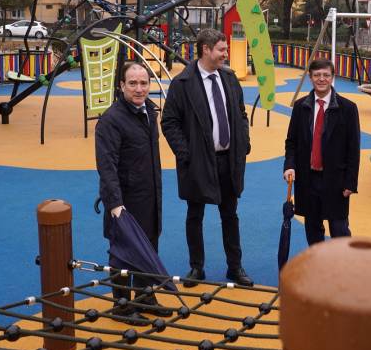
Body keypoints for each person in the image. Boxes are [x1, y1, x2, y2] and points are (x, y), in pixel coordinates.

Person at [161, 29, 254, 287]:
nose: (226, 54)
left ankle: (235, 267)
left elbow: (240, 113)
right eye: (222, 50)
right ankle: (196, 267)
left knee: (230, 215)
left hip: (228, 160)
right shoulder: (182, 83)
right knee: (195, 214)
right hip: (198, 161)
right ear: (206, 50)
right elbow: (169, 122)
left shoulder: (229, 78)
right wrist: (185, 153)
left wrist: (243, 142)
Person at [95, 62, 171, 320]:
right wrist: (115, 204)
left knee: (148, 245)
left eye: (144, 83)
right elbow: (107, 166)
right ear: (121, 86)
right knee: (122, 252)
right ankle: (122, 305)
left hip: (149, 195)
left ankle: (145, 296)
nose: (139, 89)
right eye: (133, 83)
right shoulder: (111, 120)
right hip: (124, 200)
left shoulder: (149, 111)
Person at [283, 58, 360, 245]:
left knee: (339, 228)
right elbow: (291, 141)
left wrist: (350, 181)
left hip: (336, 179)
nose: (321, 79)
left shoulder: (347, 108)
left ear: (332, 77)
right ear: (310, 77)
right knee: (313, 228)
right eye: (317, 75)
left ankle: (342, 268)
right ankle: (319, 267)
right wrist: (290, 165)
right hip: (308, 178)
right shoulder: (301, 107)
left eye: (326, 75)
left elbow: (353, 148)